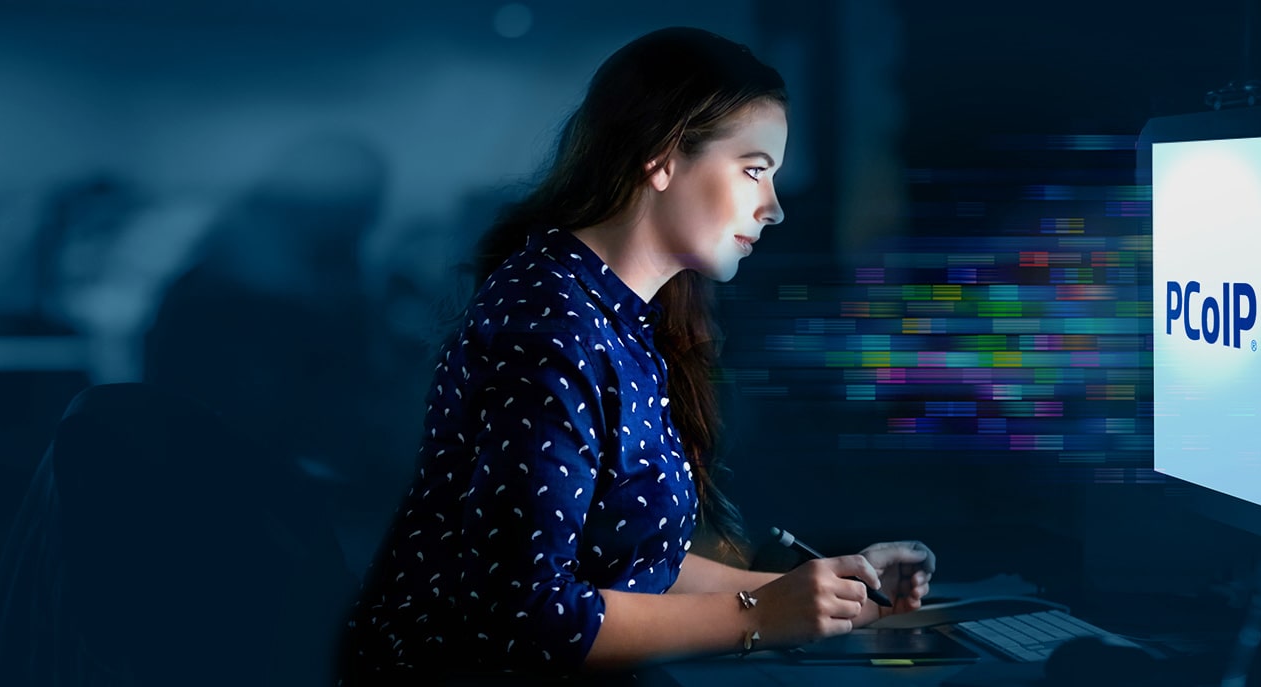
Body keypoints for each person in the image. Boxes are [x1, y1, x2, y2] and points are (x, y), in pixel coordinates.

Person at [336, 27, 937, 684]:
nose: (774, 208)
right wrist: (761, 611)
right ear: (661, 157)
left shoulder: (619, 315)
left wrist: (830, 595)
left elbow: (637, 559)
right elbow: (529, 616)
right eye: (755, 169)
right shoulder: (550, 321)